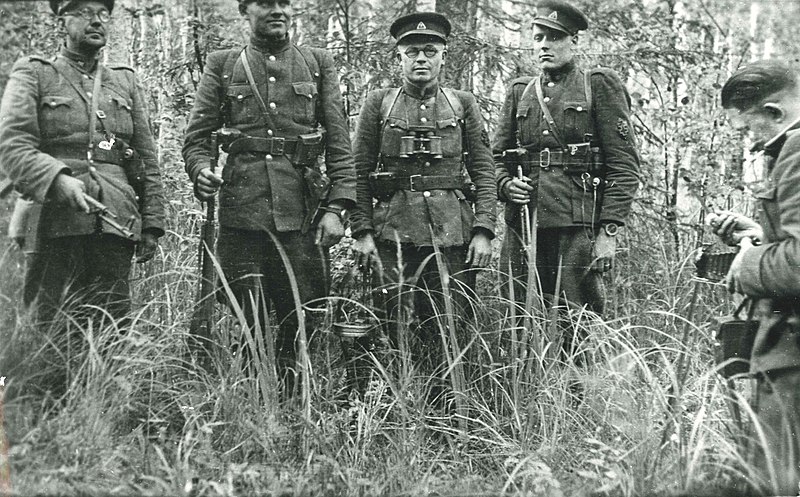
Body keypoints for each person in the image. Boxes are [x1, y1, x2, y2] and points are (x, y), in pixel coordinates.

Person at [182, 0, 356, 396]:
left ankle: (296, 404)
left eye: (283, 2)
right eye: (265, 2)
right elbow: (196, 139)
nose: (277, 10)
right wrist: (200, 171)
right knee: (248, 317)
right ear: (245, 10)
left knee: (304, 314)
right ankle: (251, 403)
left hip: (302, 214)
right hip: (243, 214)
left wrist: (337, 208)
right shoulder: (224, 63)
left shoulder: (317, 62)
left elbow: (339, 143)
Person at [349, 12, 496, 395]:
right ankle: (392, 410)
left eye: (430, 50)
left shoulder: (463, 104)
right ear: (398, 56)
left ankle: (447, 415)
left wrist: (483, 231)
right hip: (393, 236)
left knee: (451, 330)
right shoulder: (378, 104)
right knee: (391, 330)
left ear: (443, 56)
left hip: (452, 239)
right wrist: (362, 231)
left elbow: (483, 171)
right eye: (412, 50)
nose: (421, 59)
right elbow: (356, 172)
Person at [0, 0, 165, 330]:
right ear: (62, 21)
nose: (97, 21)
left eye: (104, 14)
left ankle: (103, 384)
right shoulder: (34, 73)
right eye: (86, 13)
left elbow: (145, 157)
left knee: (111, 332)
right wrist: (57, 179)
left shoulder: (124, 82)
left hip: (115, 219)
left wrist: (152, 222)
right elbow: (13, 144)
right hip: (52, 220)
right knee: (48, 331)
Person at [493, 0, 639, 323]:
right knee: (518, 322)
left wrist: (608, 233)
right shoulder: (520, 92)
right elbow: (495, 158)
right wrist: (505, 185)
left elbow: (625, 167)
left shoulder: (597, 86)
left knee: (579, 326)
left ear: (574, 41)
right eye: (538, 37)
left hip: (576, 231)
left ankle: (577, 377)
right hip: (524, 226)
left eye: (554, 37)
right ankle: (527, 377)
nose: (545, 44)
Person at [709, 59, 800, 495]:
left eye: (749, 130)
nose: (749, 142)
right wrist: (761, 235)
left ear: (776, 113)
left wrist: (746, 263)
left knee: (775, 479)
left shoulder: (796, 151)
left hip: (793, 353)